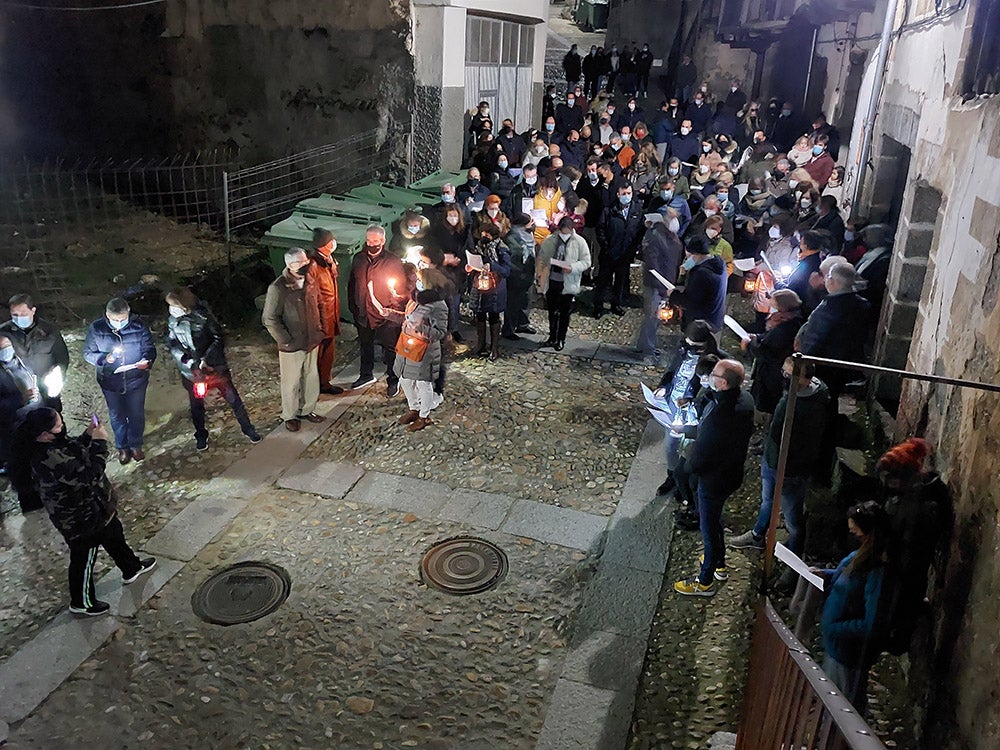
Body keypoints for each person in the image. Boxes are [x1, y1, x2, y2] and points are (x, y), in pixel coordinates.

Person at [14, 407, 156, 616]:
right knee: (84, 558)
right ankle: (81, 601)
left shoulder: (54, 443)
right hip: (80, 519)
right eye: (58, 426)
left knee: (115, 536)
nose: (62, 428)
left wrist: (89, 435)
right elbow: (88, 475)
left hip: (97, 507)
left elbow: (73, 450)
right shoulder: (47, 457)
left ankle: (131, 568)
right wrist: (99, 443)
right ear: (44, 434)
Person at [730, 357, 830, 555]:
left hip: (788, 469)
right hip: (785, 463)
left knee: (790, 516)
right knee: (770, 502)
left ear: (805, 379)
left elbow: (778, 435)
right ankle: (759, 535)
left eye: (789, 374)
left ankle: (791, 560)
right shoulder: (815, 393)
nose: (784, 377)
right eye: (784, 372)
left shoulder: (794, 404)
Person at [674, 359, 754, 596]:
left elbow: (701, 453)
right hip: (730, 473)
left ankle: (705, 580)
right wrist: (687, 429)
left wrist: (688, 468)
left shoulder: (722, 414)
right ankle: (718, 561)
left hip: (714, 479)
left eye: (714, 374)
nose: (710, 376)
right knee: (715, 519)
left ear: (724, 382)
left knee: (708, 528)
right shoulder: (745, 400)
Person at [874, 438, 950, 656]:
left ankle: (900, 639)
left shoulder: (925, 505)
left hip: (910, 563)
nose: (887, 484)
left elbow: (919, 538)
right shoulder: (906, 495)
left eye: (891, 480)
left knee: (905, 602)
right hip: (901, 561)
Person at [165, 288, 261, 450]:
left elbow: (218, 338)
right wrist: (187, 361)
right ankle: (201, 435)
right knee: (196, 405)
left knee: (233, 398)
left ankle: (248, 429)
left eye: (174, 306)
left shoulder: (203, 317)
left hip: (214, 368)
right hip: (191, 372)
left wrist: (206, 360)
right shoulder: (173, 321)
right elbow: (172, 344)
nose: (171, 310)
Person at [817, 501, 889, 711]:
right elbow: (844, 576)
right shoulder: (858, 556)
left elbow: (871, 623)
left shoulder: (876, 571)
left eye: (855, 531)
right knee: (830, 704)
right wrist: (824, 574)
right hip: (835, 647)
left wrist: (834, 628)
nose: (852, 534)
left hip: (847, 654)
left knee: (842, 709)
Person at [83, 298, 156, 464]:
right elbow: (88, 353)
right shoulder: (97, 328)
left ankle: (135, 444)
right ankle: (122, 447)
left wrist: (147, 360)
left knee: (136, 414)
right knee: (117, 415)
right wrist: (103, 359)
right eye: (116, 320)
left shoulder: (139, 326)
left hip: (136, 379)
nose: (120, 323)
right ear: (107, 315)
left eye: (123, 319)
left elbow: (149, 348)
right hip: (110, 381)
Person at [653, 321, 722, 494]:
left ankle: (682, 481)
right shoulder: (682, 350)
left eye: (695, 346)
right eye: (689, 344)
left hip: (691, 413)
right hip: (672, 407)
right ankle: (672, 476)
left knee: (688, 451)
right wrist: (663, 387)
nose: (691, 348)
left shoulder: (714, 362)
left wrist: (691, 402)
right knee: (670, 446)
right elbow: (671, 371)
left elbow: (709, 393)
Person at [262, 248, 327, 431]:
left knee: (311, 376)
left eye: (306, 261)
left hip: (312, 339)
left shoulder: (310, 280)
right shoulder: (278, 288)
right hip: (292, 344)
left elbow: (320, 304)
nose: (306, 264)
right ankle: (289, 415)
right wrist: (286, 340)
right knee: (291, 382)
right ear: (290, 265)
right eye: (301, 262)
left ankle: (307, 410)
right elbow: (270, 318)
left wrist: (320, 329)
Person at [347, 226, 408, 394]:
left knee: (390, 349)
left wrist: (394, 312)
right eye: (368, 241)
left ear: (382, 241)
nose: (371, 244)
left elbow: (400, 289)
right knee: (365, 346)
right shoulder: (359, 259)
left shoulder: (393, 261)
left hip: (386, 314)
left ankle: (393, 380)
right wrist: (354, 306)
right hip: (363, 312)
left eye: (375, 241)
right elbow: (352, 283)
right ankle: (366, 374)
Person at [798, 262, 870, 394]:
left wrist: (804, 361)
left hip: (825, 365)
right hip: (845, 362)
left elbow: (814, 338)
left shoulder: (829, 309)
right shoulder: (862, 305)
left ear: (831, 281)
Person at [394, 267, 450, 432]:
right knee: (405, 379)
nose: (416, 281)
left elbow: (439, 333)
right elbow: (406, 318)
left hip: (424, 351)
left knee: (423, 384)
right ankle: (414, 408)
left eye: (419, 279)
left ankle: (424, 416)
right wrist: (388, 313)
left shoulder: (439, 306)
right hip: (407, 347)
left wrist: (420, 328)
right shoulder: (415, 298)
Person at [1, 294, 70, 411]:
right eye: (15, 315)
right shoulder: (4, 332)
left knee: (53, 417)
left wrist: (57, 375)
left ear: (33, 310)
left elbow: (62, 357)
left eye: (23, 314)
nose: (19, 318)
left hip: (47, 384)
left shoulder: (49, 330)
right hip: (21, 388)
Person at [742, 289, 805, 416]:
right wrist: (757, 337)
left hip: (773, 375)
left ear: (783, 309)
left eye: (773, 307)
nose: (770, 310)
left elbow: (767, 352)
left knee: (769, 402)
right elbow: (767, 338)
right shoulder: (787, 321)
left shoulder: (785, 330)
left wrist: (749, 345)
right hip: (771, 371)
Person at [536, 216, 591, 350]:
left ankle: (561, 338)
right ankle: (552, 336)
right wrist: (539, 275)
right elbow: (541, 259)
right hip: (552, 281)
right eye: (562, 232)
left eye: (567, 232)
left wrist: (572, 268)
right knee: (552, 311)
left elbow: (586, 262)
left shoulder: (579, 242)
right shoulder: (550, 241)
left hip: (568, 283)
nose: (564, 235)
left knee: (565, 313)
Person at [1, 334, 41, 505]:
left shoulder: (22, 361)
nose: (5, 350)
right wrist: (21, 399)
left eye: (7, 345)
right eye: (1, 348)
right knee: (19, 466)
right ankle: (29, 502)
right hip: (10, 429)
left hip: (31, 421)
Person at [594, 183, 644, 318]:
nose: (626, 196)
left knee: (620, 282)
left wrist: (634, 249)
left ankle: (616, 304)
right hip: (608, 253)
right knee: (603, 282)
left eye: (629, 193)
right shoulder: (608, 210)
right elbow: (600, 230)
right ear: (618, 194)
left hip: (625, 254)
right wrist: (606, 247)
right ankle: (598, 306)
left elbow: (639, 231)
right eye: (624, 194)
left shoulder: (637, 210)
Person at [637, 214, 683, 357]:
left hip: (667, 282)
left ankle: (645, 345)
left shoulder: (673, 237)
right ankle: (646, 347)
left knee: (655, 317)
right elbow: (653, 262)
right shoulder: (657, 237)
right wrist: (661, 284)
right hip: (656, 283)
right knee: (652, 316)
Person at [467, 223, 512, 361]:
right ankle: (481, 345)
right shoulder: (479, 246)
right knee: (480, 315)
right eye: (482, 233)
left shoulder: (502, 248)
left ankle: (494, 348)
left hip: (495, 287)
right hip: (480, 285)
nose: (483, 236)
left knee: (493, 315)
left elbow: (506, 271)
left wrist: (492, 266)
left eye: (487, 233)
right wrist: (471, 267)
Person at [307, 228, 343, 395]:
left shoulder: (328, 260)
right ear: (327, 244)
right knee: (318, 352)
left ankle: (324, 382)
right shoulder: (313, 264)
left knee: (328, 350)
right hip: (321, 316)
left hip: (330, 312)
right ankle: (315, 386)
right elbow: (310, 293)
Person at [667, 235, 727, 331]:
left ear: (696, 254)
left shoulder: (701, 274)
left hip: (700, 323)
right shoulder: (719, 263)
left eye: (688, 256)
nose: (687, 259)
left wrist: (673, 295)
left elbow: (690, 302)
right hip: (715, 317)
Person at [500, 212, 537, 341]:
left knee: (526, 301)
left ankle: (523, 324)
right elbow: (511, 259)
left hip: (528, 274)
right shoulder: (511, 238)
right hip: (515, 276)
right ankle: (508, 329)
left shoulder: (528, 236)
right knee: (512, 304)